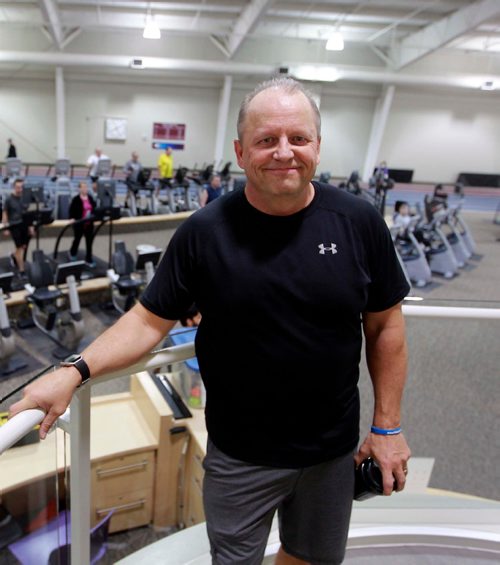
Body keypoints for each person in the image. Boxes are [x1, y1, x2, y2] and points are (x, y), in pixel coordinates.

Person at [10, 77, 411, 565]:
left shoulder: (358, 223)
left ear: (318, 147)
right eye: (267, 140)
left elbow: (385, 324)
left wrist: (386, 428)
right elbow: (146, 322)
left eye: (298, 138)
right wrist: (74, 371)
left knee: (312, 558)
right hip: (241, 456)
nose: (284, 152)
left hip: (331, 452)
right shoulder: (204, 233)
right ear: (241, 153)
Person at [2, 178, 33, 275]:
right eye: (18, 187)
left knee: (23, 247)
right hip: (14, 226)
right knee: (19, 248)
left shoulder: (25, 199)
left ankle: (13, 256)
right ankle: (22, 270)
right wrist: (6, 227)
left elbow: (29, 213)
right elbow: (5, 212)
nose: (20, 189)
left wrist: (30, 226)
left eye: (21, 187)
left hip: (25, 225)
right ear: (14, 187)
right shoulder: (9, 199)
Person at [69, 181, 96, 265]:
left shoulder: (90, 198)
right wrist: (72, 218)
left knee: (89, 242)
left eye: (86, 187)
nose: (85, 189)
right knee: (77, 239)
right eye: (83, 187)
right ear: (79, 189)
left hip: (89, 224)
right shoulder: (76, 199)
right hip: (79, 224)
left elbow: (94, 208)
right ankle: (73, 253)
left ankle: (89, 258)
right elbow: (71, 210)